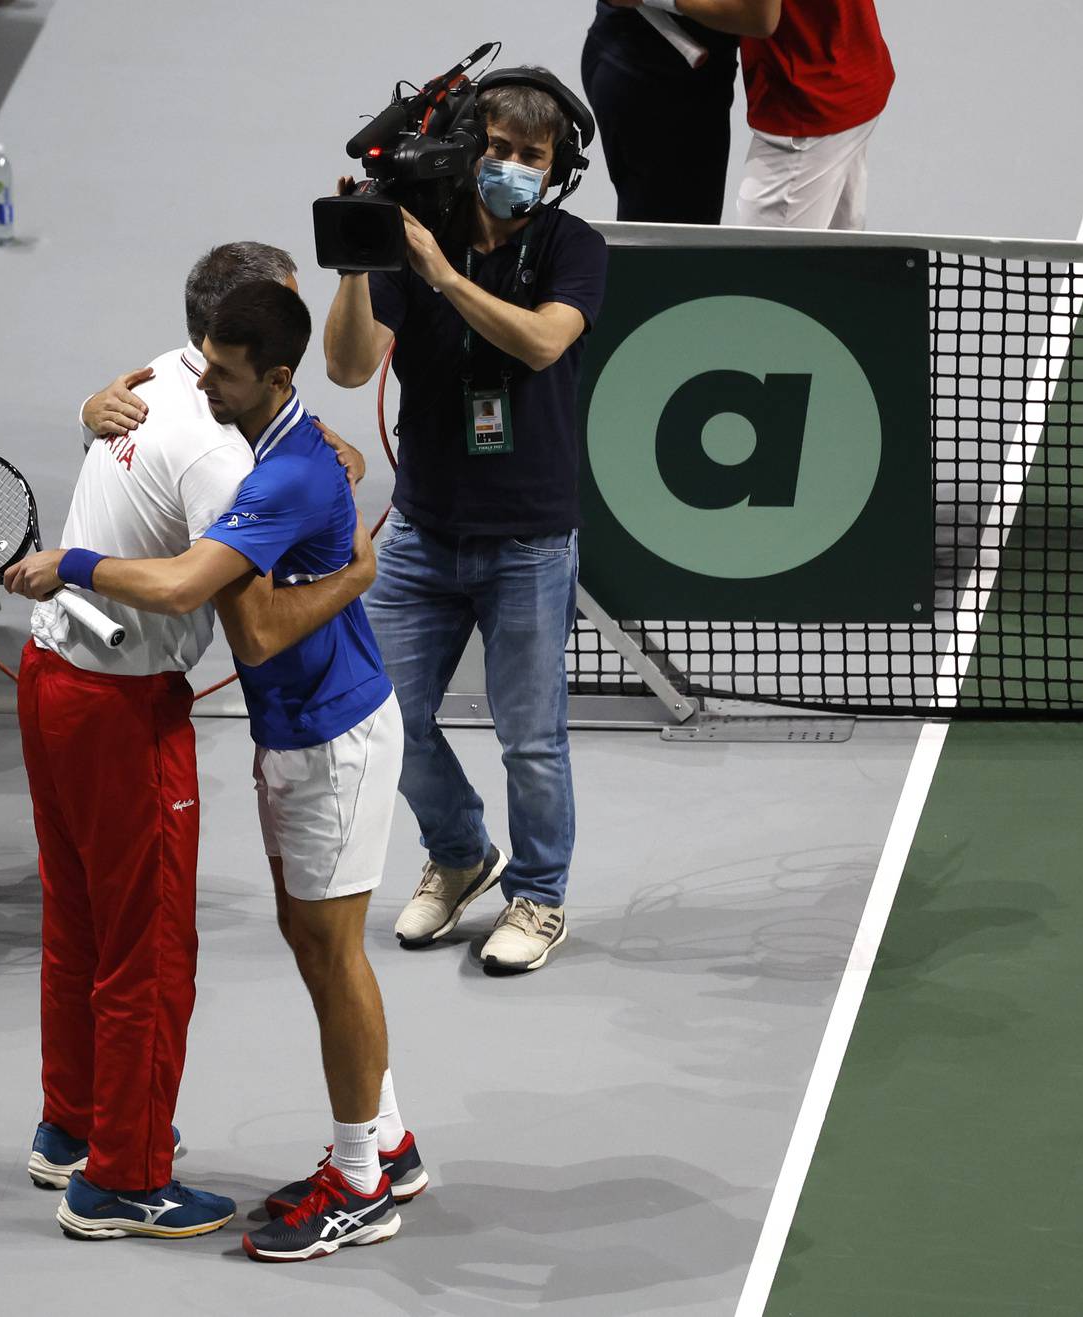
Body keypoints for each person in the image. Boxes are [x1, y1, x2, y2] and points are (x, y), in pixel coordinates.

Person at [7, 281, 421, 1263]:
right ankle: (126, 1176)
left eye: (224, 368)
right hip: (141, 710)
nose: (205, 375)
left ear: (268, 372)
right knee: (166, 946)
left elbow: (235, 607)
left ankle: (359, 1166)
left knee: (304, 947)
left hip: (85, 682)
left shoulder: (187, 406)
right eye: (208, 356)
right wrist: (352, 562)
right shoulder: (221, 429)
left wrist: (69, 562)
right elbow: (245, 594)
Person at [323, 69, 607, 976]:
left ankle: (539, 894)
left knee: (531, 738)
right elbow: (347, 366)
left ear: (556, 168)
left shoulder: (573, 245)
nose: (512, 166)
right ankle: (458, 853)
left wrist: (440, 275)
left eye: (532, 155)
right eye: (498, 149)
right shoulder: (417, 240)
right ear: (470, 147)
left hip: (528, 539)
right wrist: (360, 264)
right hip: (422, 532)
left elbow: (541, 341)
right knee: (382, 719)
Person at [635, 0, 891, 229]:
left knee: (764, 276)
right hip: (852, 62)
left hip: (807, 105)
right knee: (837, 265)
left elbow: (759, 17)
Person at [586, 0, 742, 223]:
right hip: (658, 88)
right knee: (672, 244)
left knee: (665, 236)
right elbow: (758, 17)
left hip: (642, 68)